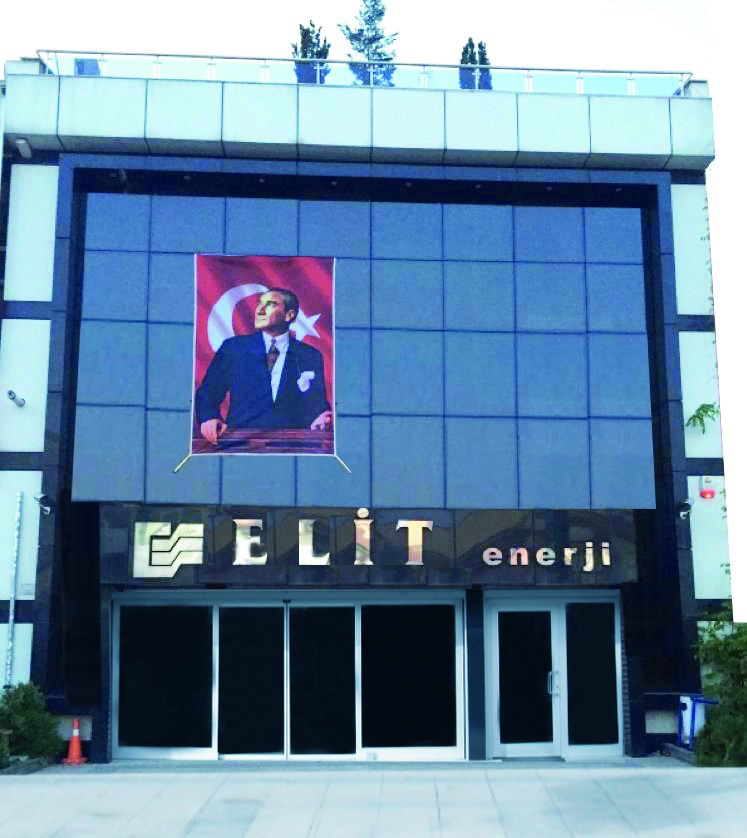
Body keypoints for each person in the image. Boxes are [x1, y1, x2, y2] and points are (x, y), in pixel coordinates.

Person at [195, 287, 332, 445]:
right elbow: (208, 394)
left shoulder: (310, 355)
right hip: (239, 444)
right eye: (259, 303)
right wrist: (209, 417)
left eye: (270, 304)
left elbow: (317, 404)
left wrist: (322, 418)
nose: (260, 310)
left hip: (291, 445)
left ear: (289, 315)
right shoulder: (234, 348)